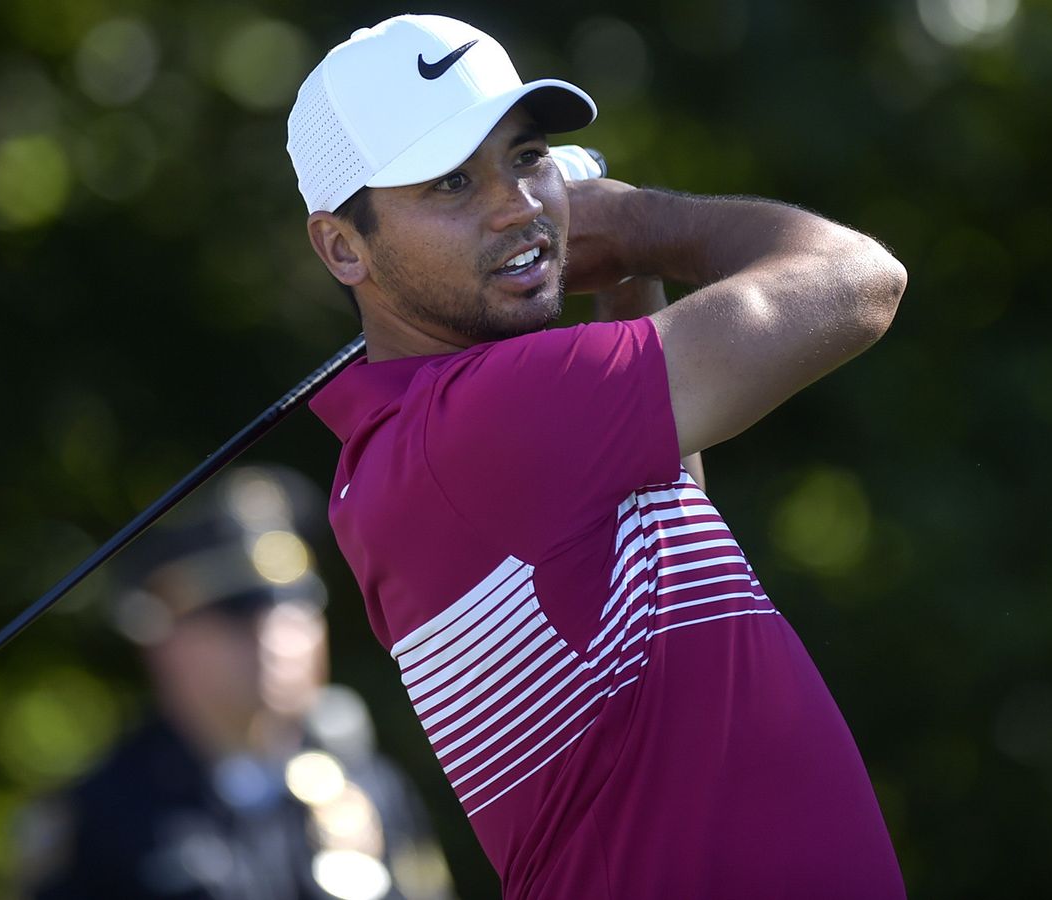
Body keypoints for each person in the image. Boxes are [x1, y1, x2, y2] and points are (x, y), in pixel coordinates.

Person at [286, 13, 908, 900]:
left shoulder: (418, 442)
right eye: (453, 182)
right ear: (344, 247)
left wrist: (620, 279)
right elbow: (859, 281)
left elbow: (660, 523)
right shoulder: (491, 414)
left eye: (528, 157)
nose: (518, 205)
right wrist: (640, 224)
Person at [15, 465, 454, 900]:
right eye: (237, 617)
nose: (274, 639)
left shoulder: (372, 788)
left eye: (294, 609)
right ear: (166, 642)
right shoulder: (102, 815)